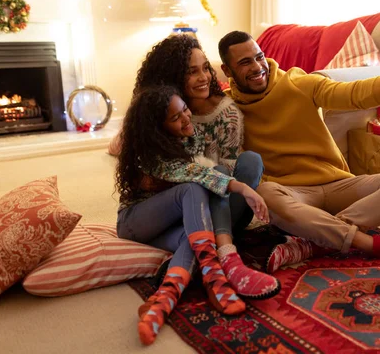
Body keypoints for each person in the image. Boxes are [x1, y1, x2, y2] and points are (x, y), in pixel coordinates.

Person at [218, 31, 380, 271]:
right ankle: (372, 244)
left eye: (259, 57)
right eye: (245, 62)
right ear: (227, 70)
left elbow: (356, 94)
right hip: (292, 196)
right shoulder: (227, 108)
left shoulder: (298, 83)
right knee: (265, 193)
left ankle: (315, 243)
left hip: (337, 186)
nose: (257, 67)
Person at [111, 35, 280, 299]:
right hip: (165, 208)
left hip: (207, 205)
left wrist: (237, 185)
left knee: (247, 163)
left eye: (205, 68)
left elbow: (217, 173)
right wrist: (240, 187)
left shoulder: (219, 113)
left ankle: (188, 278)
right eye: (192, 72)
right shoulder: (152, 122)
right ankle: (221, 258)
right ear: (172, 77)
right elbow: (187, 175)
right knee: (198, 188)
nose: (203, 77)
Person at [115, 86, 279, 345]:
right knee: (193, 187)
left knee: (192, 236)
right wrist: (244, 188)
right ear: (158, 128)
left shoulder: (189, 137)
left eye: (185, 110)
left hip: (174, 223)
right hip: (136, 221)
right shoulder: (148, 155)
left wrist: (232, 176)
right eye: (176, 117)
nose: (186, 118)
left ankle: (164, 299)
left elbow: (212, 168)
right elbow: (196, 174)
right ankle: (214, 275)